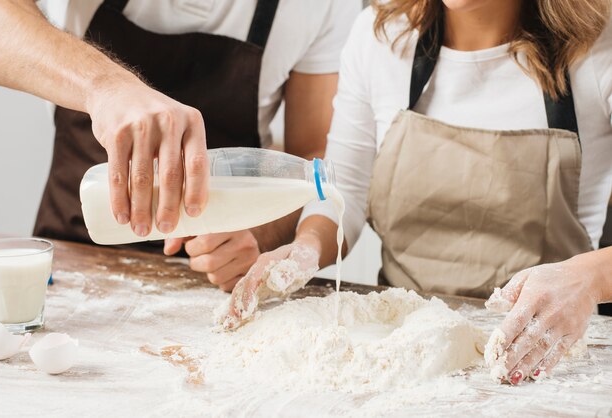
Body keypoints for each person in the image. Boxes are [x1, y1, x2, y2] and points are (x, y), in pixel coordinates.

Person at [224, 0, 612, 385]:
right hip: (398, 357)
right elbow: (346, 189)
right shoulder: (381, 37)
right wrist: (307, 245)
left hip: (543, 362)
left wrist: (589, 278)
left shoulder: (599, 47)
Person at [0, 0, 360, 291]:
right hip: (72, 264)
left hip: (210, 287)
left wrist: (259, 234)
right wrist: (104, 86)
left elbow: (311, 155)